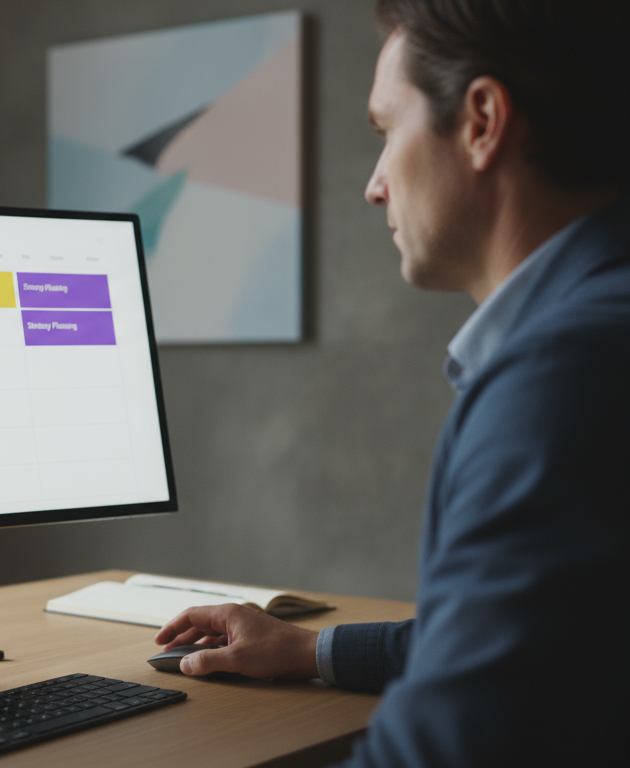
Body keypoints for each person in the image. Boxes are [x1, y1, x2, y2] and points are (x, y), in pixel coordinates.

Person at [155, 1, 628, 764]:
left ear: (481, 121)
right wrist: (311, 650)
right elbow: (537, 637)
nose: (375, 186)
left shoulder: (560, 377)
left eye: (386, 131)